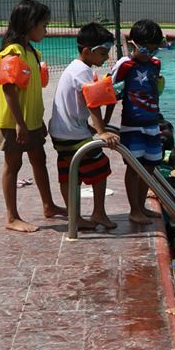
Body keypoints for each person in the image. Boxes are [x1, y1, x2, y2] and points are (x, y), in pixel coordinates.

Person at [0, 0, 66, 232]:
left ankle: (49, 205)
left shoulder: (32, 52)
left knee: (39, 160)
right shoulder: (12, 53)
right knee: (13, 165)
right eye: (43, 25)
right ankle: (11, 217)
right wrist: (19, 124)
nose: (46, 30)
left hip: (31, 121)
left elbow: (33, 91)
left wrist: (37, 121)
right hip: (14, 123)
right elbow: (9, 91)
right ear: (28, 24)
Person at [48, 22, 120, 231]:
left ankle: (75, 216)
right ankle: (98, 213)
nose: (107, 58)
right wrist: (101, 131)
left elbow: (74, 106)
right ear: (87, 51)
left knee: (70, 173)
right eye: (103, 53)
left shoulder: (74, 68)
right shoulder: (83, 72)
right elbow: (93, 104)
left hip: (61, 133)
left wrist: (89, 128)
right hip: (72, 135)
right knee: (101, 167)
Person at [114, 19, 165, 225]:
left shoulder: (155, 64)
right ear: (132, 43)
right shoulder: (125, 65)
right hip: (132, 124)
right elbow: (109, 92)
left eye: (154, 50)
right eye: (144, 49)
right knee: (134, 168)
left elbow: (155, 90)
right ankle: (134, 209)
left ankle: (142, 205)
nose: (149, 54)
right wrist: (104, 125)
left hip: (152, 122)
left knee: (150, 165)